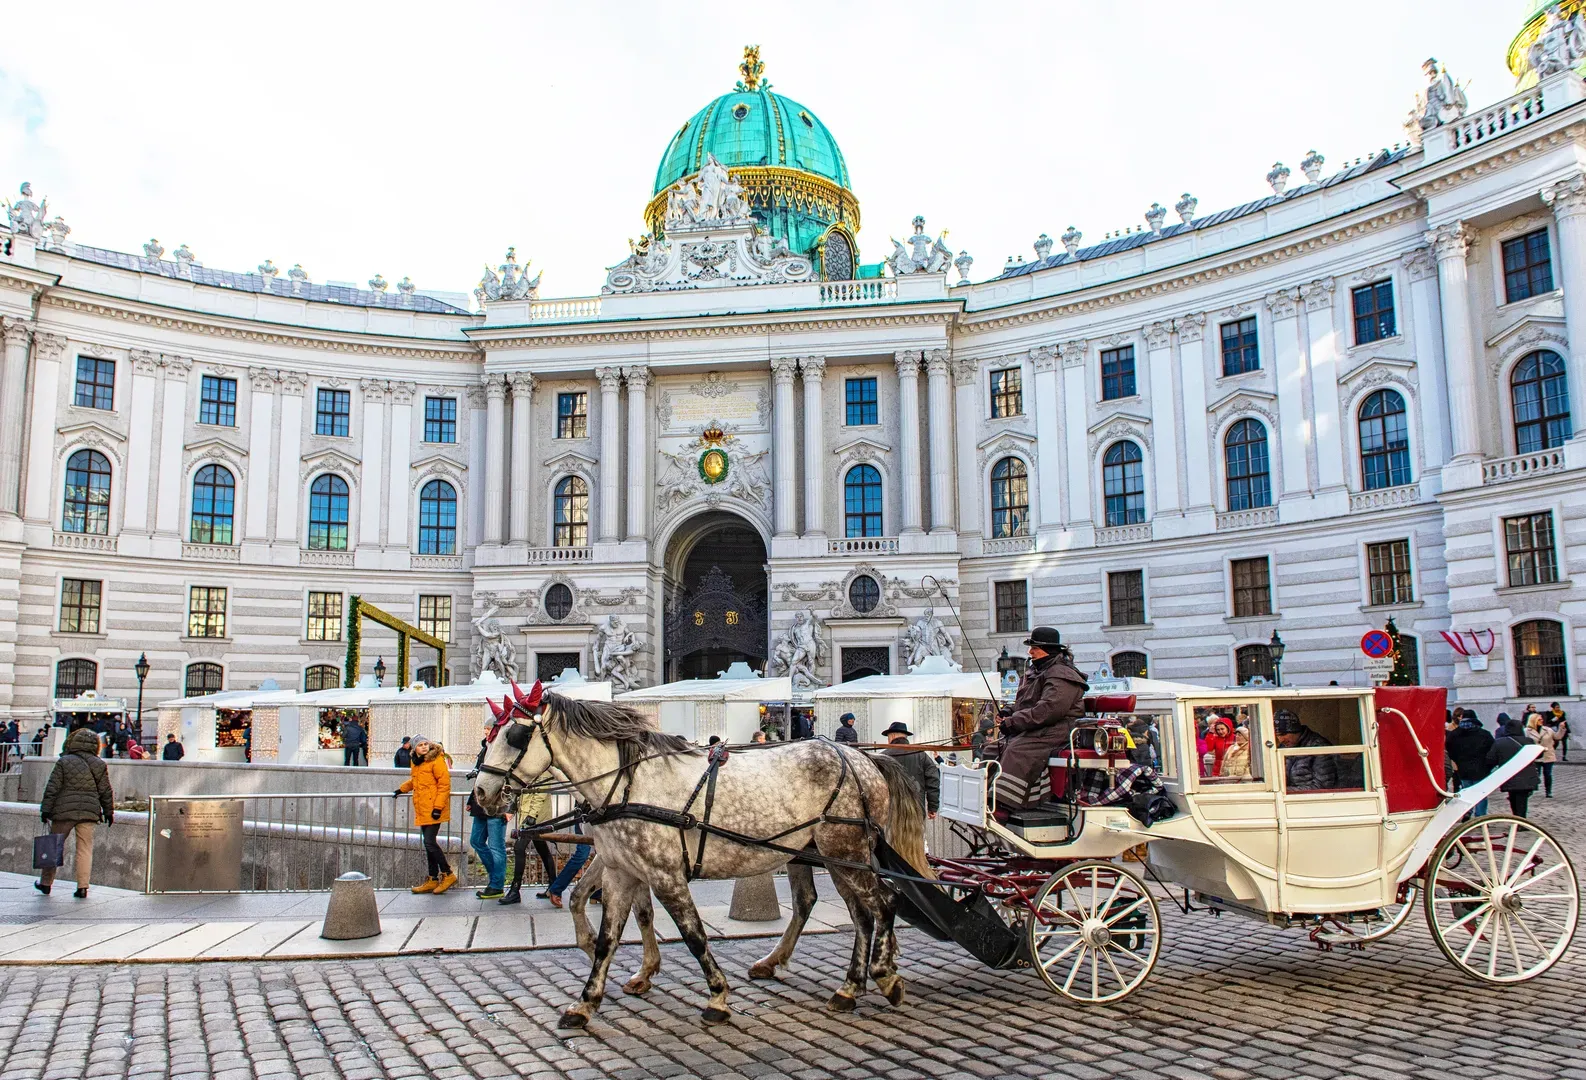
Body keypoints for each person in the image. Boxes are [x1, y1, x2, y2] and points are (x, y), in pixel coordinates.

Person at [993, 626, 1087, 812]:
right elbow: (1026, 703)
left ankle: (1005, 804)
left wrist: (1013, 722)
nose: (1030, 652)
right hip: (1040, 727)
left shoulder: (1062, 675)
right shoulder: (1039, 672)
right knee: (992, 748)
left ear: (1048, 650)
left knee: (1017, 750)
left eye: (1034, 648)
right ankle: (989, 795)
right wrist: (1008, 712)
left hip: (1057, 730)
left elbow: (1049, 710)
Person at [36, 727, 114, 898]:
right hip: (89, 812)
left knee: (54, 846)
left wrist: (46, 809)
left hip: (64, 812)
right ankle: (82, 887)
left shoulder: (64, 761)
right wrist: (109, 811)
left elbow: (52, 788)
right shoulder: (99, 764)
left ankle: (46, 883)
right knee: (85, 849)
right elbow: (106, 791)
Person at [395, 738, 456, 894]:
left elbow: (444, 785)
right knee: (428, 844)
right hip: (423, 808)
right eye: (420, 745)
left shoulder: (436, 760)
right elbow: (416, 781)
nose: (423, 747)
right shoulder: (416, 762)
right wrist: (401, 789)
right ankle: (433, 878)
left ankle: (448, 874)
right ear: (414, 748)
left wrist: (437, 808)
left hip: (433, 808)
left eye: (425, 744)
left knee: (429, 842)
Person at [466, 742, 509, 901]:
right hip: (481, 804)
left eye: (489, 729)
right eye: (485, 729)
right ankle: (496, 876)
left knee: (496, 846)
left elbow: (513, 781)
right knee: (476, 840)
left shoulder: (503, 749)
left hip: (498, 805)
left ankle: (497, 885)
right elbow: (480, 779)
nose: (487, 732)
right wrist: (472, 801)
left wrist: (510, 809)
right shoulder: (486, 749)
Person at [500, 788, 558, 905]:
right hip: (529, 816)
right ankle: (554, 887)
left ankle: (515, 890)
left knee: (519, 848)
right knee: (542, 849)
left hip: (535, 818)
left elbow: (541, 792)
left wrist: (532, 815)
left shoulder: (542, 770)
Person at [880, 721, 939, 818]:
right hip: (916, 810)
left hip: (892, 811)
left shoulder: (883, 756)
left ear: (892, 735)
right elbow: (933, 779)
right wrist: (932, 807)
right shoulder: (922, 755)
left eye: (888, 737)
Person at [1488, 714, 1541, 817]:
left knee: (1513, 798)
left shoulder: (1500, 742)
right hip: (1526, 775)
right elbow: (1538, 755)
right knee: (1522, 799)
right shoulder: (1528, 741)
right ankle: (1521, 819)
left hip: (1509, 775)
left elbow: (1491, 759)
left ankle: (1517, 818)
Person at [1274, 709, 1338, 791]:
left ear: (1295, 730)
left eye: (1284, 734)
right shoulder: (1283, 747)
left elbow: (1322, 786)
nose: (1281, 739)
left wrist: (1285, 791)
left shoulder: (1319, 747)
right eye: (1277, 735)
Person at [1445, 710, 1494, 816]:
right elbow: (1492, 750)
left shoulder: (1454, 735)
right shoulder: (1484, 734)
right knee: (1481, 793)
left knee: (1466, 791)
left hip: (1463, 768)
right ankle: (1480, 816)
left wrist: (1457, 760)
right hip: (1481, 768)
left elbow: (1449, 749)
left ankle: (1466, 812)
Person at [542, 824, 591, 909]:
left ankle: (598, 893)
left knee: (604, 855)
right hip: (586, 819)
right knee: (582, 855)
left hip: (603, 819)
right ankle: (556, 890)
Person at [1527, 712, 1558, 798]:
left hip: (1548, 755)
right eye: (1539, 719)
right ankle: (1531, 789)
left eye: (1541, 719)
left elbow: (1557, 737)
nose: (1541, 721)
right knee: (1536, 774)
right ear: (1533, 720)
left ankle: (1548, 791)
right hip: (1535, 756)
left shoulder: (1548, 729)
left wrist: (1562, 729)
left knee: (1548, 774)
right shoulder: (1527, 731)